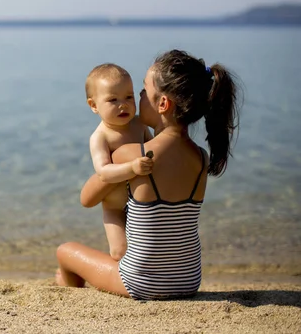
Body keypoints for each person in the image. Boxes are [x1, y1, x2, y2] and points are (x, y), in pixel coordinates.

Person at [57, 50, 241, 300]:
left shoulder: (134, 154)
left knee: (65, 251)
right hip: (189, 280)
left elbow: (87, 199)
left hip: (142, 283)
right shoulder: (201, 157)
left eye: (142, 92)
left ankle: (70, 300)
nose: (137, 99)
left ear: (163, 104)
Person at [84, 63, 153, 261]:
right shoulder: (100, 137)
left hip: (140, 204)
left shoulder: (139, 124)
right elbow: (103, 172)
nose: (123, 104)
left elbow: (152, 147)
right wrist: (132, 168)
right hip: (114, 208)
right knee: (119, 251)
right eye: (113, 100)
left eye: (129, 97)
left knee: (143, 250)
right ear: (94, 105)